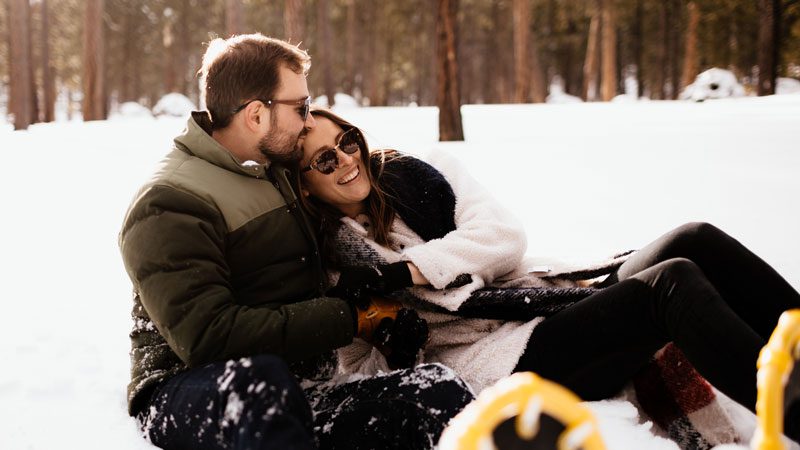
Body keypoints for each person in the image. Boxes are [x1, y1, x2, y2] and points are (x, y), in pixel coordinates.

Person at [292, 107, 800, 443]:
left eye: (348, 140)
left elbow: (503, 235)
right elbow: (360, 374)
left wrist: (408, 271)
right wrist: (399, 345)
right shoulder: (338, 270)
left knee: (694, 237)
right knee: (671, 285)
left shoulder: (422, 172)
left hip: (539, 300)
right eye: (324, 158)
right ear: (306, 186)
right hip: (504, 360)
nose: (346, 160)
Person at [119, 34, 472, 450]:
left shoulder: (279, 170)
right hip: (190, 390)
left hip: (300, 384)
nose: (309, 120)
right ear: (255, 115)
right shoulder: (171, 201)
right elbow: (209, 337)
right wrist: (352, 316)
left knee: (437, 392)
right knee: (261, 386)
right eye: (300, 107)